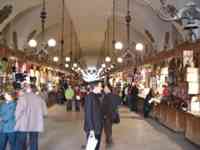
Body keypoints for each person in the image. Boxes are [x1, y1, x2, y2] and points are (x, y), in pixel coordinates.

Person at [15, 84, 48, 150]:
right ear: (35, 90)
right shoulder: (40, 99)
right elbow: (45, 113)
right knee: (34, 141)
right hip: (35, 124)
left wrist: (15, 120)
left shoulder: (22, 98)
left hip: (23, 124)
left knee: (21, 142)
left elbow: (18, 112)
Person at [84, 82, 104, 150]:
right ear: (95, 87)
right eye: (100, 86)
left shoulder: (97, 96)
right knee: (92, 147)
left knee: (96, 145)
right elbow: (88, 114)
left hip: (98, 126)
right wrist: (91, 129)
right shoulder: (89, 97)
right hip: (93, 128)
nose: (101, 88)